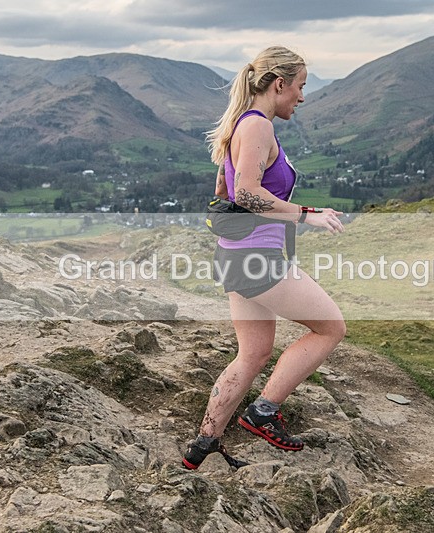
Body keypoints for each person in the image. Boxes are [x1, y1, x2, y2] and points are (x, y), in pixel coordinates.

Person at [182, 46, 347, 470]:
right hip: (258, 259)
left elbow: (224, 189)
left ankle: (204, 445)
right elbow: (246, 193)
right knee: (330, 328)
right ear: (279, 84)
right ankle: (263, 413)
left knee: (253, 354)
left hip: (237, 257)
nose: (302, 97)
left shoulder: (242, 125)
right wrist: (305, 215)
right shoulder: (257, 128)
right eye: (300, 86)